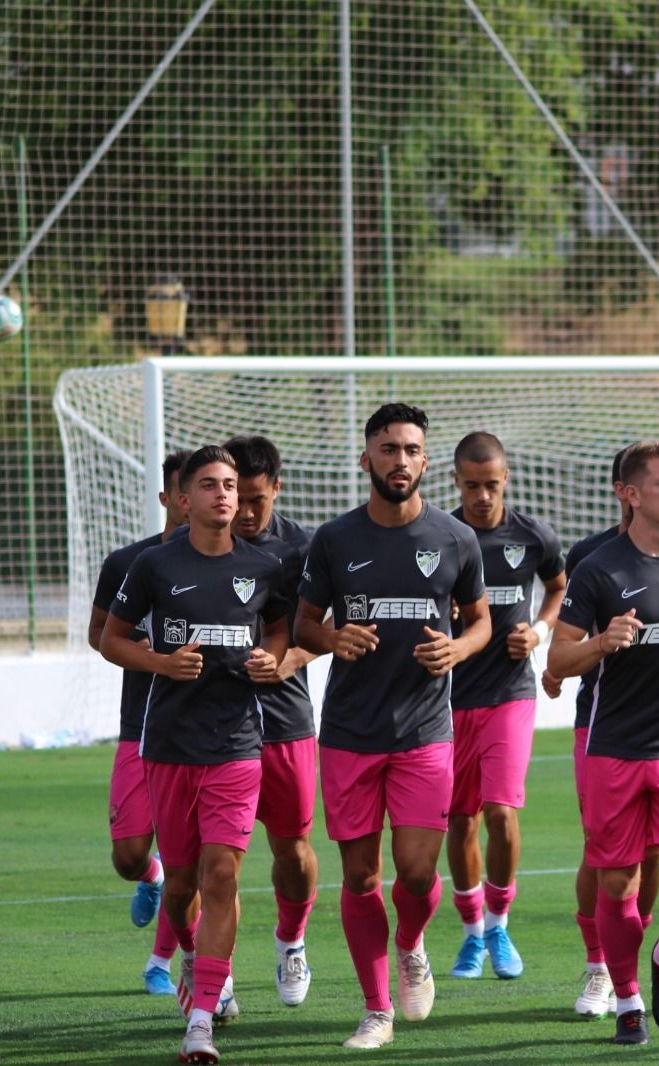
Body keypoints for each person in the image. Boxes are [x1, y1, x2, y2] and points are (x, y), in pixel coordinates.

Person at [294, 402, 490, 1050]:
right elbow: (302, 624)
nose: (398, 460)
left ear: (425, 460)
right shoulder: (335, 540)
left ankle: (411, 943)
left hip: (425, 731)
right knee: (358, 877)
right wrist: (331, 636)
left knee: (413, 873)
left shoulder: (456, 539)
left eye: (409, 449)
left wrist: (458, 649)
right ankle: (376, 1009)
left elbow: (482, 620)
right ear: (366, 459)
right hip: (350, 731)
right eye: (387, 449)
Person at [102, 446, 294, 1065]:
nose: (223, 495)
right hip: (168, 745)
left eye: (230, 485)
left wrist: (274, 659)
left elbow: (282, 633)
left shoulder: (265, 567)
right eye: (209, 485)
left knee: (221, 876)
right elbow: (111, 638)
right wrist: (160, 661)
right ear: (185, 497)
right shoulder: (156, 566)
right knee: (181, 882)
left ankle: (202, 1022)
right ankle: (194, 962)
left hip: (237, 745)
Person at [548, 441, 659, 1047]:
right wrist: (603, 642)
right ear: (629, 494)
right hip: (615, 749)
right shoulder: (600, 569)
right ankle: (626, 999)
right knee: (619, 884)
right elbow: (558, 658)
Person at [541, 445, 659, 1019]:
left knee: (657, 852)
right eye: (655, 482)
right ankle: (598, 966)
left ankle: (634, 969)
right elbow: (570, 636)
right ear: (626, 490)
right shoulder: (590, 556)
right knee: (605, 852)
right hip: (602, 723)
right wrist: (557, 669)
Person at [444, 431, 567, 982]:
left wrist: (539, 631)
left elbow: (561, 587)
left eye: (491, 485)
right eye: (472, 486)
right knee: (460, 818)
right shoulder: (439, 536)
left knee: (501, 813)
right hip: (445, 698)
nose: (482, 497)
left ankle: (498, 924)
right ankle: (471, 935)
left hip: (509, 693)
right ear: (456, 482)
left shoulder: (533, 535)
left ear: (506, 479)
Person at [220, 434, 322, 1007]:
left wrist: (285, 661)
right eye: (240, 497)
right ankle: (219, 969)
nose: (247, 512)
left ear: (276, 489)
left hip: (285, 722)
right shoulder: (202, 545)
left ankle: (292, 941)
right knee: (219, 859)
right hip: (215, 727)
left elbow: (321, 631)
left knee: (293, 849)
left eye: (258, 499)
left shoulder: (306, 550)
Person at [87, 448, 191, 997]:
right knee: (130, 856)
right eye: (179, 490)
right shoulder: (128, 562)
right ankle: (147, 878)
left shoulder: (229, 565)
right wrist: (143, 649)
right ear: (167, 497)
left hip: (200, 735)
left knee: (188, 862)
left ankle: (160, 963)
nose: (187, 499)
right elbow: (99, 633)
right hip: (141, 724)